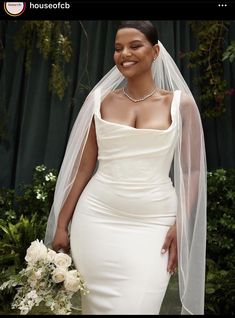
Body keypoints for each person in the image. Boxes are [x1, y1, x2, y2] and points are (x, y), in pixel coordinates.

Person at [45, 21, 207, 315]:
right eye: (118, 48)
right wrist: (60, 224)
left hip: (154, 224)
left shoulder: (181, 106)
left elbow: (192, 171)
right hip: (95, 221)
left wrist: (182, 222)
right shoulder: (99, 101)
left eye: (135, 46)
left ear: (155, 51)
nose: (124, 54)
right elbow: (83, 168)